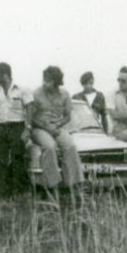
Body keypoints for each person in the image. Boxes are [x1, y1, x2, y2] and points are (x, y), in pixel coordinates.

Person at [28, 65, 83, 197]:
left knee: (70, 146)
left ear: (56, 82)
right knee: (50, 146)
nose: (45, 83)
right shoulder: (35, 94)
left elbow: (68, 116)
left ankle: (73, 185)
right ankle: (53, 185)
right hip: (39, 128)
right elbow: (31, 118)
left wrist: (57, 125)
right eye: (44, 79)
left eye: (48, 81)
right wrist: (47, 128)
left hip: (57, 127)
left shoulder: (64, 94)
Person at [0, 63, 31, 200]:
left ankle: (17, 193)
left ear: (5, 74)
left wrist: (27, 129)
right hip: (1, 127)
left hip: (17, 126)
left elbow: (30, 109)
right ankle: (1, 196)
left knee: (17, 159)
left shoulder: (22, 89)